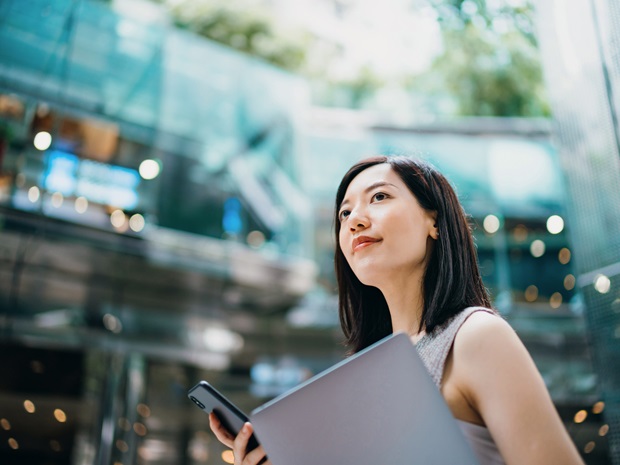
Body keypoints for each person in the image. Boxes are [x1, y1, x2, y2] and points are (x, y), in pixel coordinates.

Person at [210, 155, 585, 465]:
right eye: (344, 213)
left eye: (378, 198)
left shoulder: (476, 336)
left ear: (433, 221)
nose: (354, 220)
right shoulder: (366, 379)